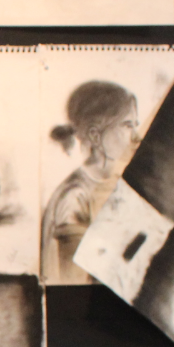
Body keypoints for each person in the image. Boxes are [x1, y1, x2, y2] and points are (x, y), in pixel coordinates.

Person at [40, 81, 140, 284]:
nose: (137, 137)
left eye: (135, 126)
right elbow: (73, 283)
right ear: (95, 136)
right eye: (127, 126)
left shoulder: (117, 185)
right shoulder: (74, 197)